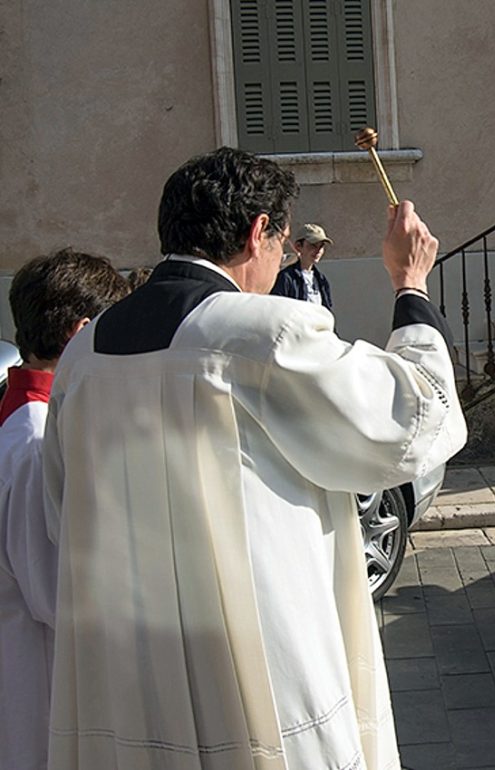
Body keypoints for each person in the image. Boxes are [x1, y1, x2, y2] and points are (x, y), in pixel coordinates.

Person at [41, 147, 467, 769]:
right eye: (282, 240)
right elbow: (417, 418)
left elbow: (62, 513)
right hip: (256, 670)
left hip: (130, 674)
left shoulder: (84, 357)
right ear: (258, 231)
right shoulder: (264, 333)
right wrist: (411, 286)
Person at [0, 250, 129, 770]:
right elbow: (54, 591)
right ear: (82, 333)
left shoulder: (27, 418)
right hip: (38, 693)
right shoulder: (35, 441)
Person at [271, 222, 333, 309]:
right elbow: (277, 308)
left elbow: (327, 310)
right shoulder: (286, 278)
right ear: (298, 246)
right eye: (313, 245)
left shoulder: (321, 280)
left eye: (321, 246)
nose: (318, 250)